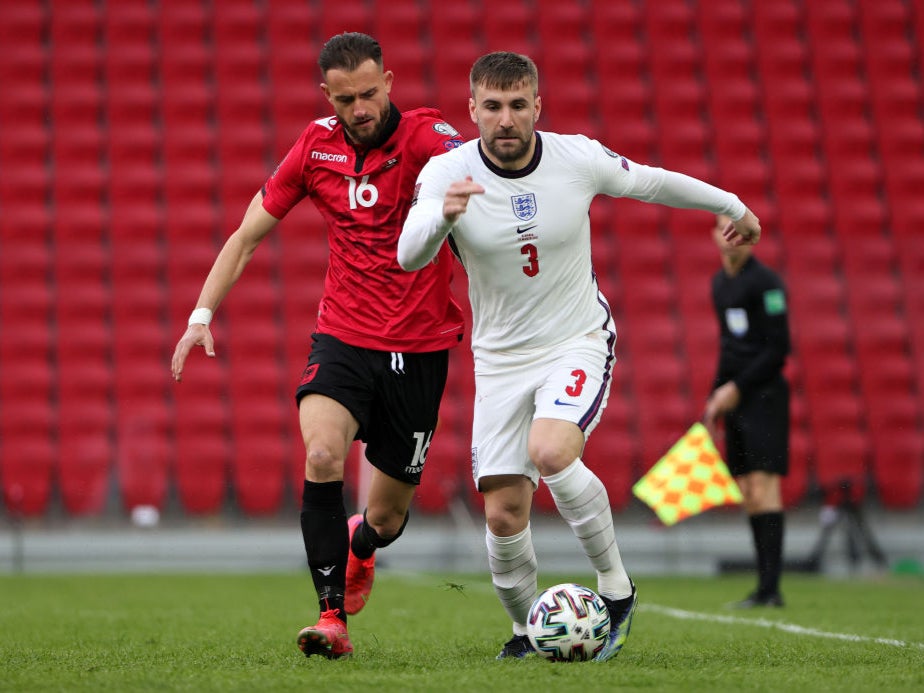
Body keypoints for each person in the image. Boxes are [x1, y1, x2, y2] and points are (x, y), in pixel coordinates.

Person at [398, 52, 762, 661]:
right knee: (505, 514)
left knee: (551, 449)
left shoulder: (576, 157)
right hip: (499, 362)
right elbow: (409, 254)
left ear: (537, 106)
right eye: (492, 107)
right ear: (472, 110)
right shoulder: (446, 173)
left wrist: (731, 204)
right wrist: (442, 215)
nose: (505, 119)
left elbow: (650, 180)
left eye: (518, 106)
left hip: (576, 339)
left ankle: (616, 589)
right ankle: (523, 634)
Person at [170, 32, 465, 659]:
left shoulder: (427, 139)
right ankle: (332, 619)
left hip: (419, 349)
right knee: (324, 455)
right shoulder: (314, 147)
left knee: (385, 520)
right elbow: (247, 235)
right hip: (344, 337)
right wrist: (201, 314)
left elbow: (483, 180)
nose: (359, 108)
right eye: (345, 98)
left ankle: (360, 547)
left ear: (388, 81)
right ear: (326, 96)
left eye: (368, 93)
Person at [703, 214, 790, 608]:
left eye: (739, 229)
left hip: (765, 397)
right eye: (725, 228)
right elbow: (727, 345)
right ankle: (763, 588)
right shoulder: (719, 285)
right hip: (735, 398)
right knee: (748, 492)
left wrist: (735, 389)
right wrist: (715, 396)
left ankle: (771, 589)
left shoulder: (767, 284)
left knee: (763, 486)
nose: (732, 236)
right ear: (714, 236)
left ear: (752, 237)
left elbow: (778, 348)